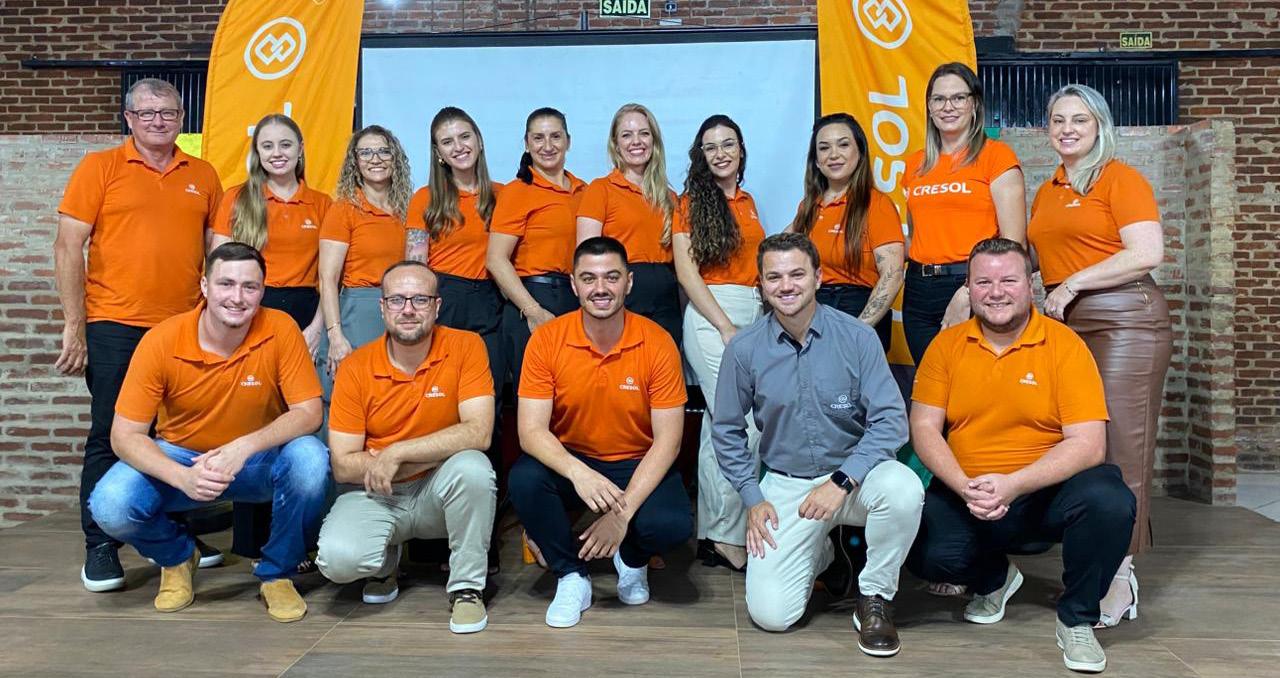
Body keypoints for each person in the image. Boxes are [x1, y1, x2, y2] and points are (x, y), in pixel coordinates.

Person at [906, 237, 1135, 674]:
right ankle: (995, 578)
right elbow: (924, 428)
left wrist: (1014, 484)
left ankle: (1076, 619)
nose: (996, 292)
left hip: (1045, 495)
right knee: (921, 546)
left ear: (1030, 285)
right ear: (968, 288)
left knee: (1110, 499)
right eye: (983, 282)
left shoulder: (1065, 345)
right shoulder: (945, 346)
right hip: (969, 492)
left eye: (1009, 281)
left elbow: (1090, 444)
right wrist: (963, 486)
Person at [88, 243, 331, 622]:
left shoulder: (281, 328)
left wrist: (243, 446)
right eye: (226, 284)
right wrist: (181, 476)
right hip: (183, 460)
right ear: (204, 286)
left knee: (311, 459)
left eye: (250, 286)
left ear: (262, 291)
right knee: (109, 503)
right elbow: (124, 436)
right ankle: (177, 557)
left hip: (256, 462)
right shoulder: (162, 340)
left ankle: (277, 574)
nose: (237, 297)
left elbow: (309, 413)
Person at [712, 232, 923, 656]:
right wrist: (753, 498)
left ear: (818, 277)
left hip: (856, 478)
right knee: (772, 617)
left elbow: (891, 421)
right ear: (761, 284)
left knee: (903, 489)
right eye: (774, 277)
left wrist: (842, 480)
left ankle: (874, 597)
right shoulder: (744, 349)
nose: (786, 285)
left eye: (797, 274)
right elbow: (727, 431)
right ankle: (825, 553)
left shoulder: (858, 337)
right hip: (788, 484)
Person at [54, 77, 224, 592]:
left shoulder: (203, 174)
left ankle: (174, 536)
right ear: (128, 118)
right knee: (113, 433)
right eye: (147, 113)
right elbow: (68, 246)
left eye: (168, 113)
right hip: (115, 325)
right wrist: (75, 325)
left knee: (180, 435)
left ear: (181, 118)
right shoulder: (99, 167)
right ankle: (100, 544)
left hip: (184, 328)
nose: (158, 121)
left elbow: (217, 251)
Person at [1028, 84, 1172, 628]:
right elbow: (1040, 257)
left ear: (1100, 127)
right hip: (1070, 324)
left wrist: (1072, 285)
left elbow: (1147, 252)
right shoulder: (1049, 190)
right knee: (1076, 442)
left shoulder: (1119, 178)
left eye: (1080, 120)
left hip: (1126, 319)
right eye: (1058, 120)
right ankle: (1089, 561)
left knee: (1119, 449)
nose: (1067, 129)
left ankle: (1120, 577)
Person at [507, 237, 693, 629]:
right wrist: (579, 473)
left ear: (629, 282)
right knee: (524, 480)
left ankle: (633, 559)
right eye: (589, 278)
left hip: (636, 460)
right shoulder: (546, 339)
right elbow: (530, 431)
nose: (600, 288)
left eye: (611, 277)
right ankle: (571, 575)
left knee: (673, 525)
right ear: (574, 285)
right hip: (573, 459)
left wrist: (619, 517)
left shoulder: (657, 341)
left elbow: (669, 441)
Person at [316, 261, 496, 634]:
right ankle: (384, 564)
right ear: (382, 308)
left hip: (437, 489)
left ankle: (466, 588)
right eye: (397, 300)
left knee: (474, 468)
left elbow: (479, 433)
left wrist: (397, 452)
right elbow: (343, 466)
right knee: (337, 561)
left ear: (437, 306)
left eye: (420, 299)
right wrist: (401, 460)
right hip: (378, 493)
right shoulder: (356, 366)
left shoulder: (466, 346)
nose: (408, 309)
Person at [210, 113, 332, 563]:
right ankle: (252, 541)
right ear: (256, 153)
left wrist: (317, 327)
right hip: (252, 311)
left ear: (300, 150)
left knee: (304, 423)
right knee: (253, 418)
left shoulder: (322, 204)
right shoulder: (237, 199)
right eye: (268, 146)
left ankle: (301, 539)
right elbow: (219, 268)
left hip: (306, 315)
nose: (277, 153)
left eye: (285, 144)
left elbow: (330, 275)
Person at [671, 114, 766, 572]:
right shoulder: (690, 203)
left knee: (717, 425)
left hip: (753, 311)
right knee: (742, 422)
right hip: (713, 316)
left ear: (741, 150)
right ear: (701, 155)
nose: (721, 153)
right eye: (711, 146)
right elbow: (687, 273)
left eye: (728, 143)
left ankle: (715, 534)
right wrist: (725, 325)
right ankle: (730, 536)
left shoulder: (748, 201)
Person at [901, 62, 1026, 366]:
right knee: (931, 381)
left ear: (974, 104)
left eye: (958, 98)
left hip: (972, 284)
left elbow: (1013, 245)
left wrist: (968, 291)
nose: (948, 107)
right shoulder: (915, 165)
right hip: (918, 290)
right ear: (929, 108)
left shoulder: (996, 156)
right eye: (939, 99)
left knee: (974, 380)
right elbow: (917, 237)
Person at [487, 107, 586, 392]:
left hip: (575, 301)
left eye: (555, 136)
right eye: (538, 138)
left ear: (568, 141)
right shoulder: (517, 192)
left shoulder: (585, 191)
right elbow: (496, 259)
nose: (547, 145)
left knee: (574, 394)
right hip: (531, 301)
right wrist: (533, 311)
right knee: (535, 397)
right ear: (527, 143)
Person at [788, 112, 905, 352]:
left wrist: (858, 330)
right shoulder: (808, 207)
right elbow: (779, 254)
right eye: (824, 148)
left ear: (860, 152)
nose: (833, 154)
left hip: (858, 311)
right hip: (813, 312)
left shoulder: (877, 204)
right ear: (816, 160)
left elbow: (892, 275)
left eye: (843, 144)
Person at [576, 103, 682, 344]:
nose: (636, 141)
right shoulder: (600, 189)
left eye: (644, 133)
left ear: (654, 141)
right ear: (615, 144)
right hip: (623, 292)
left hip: (667, 297)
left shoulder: (670, 198)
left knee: (666, 361)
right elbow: (586, 256)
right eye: (627, 135)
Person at [318, 125, 413, 390]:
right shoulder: (344, 210)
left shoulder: (408, 210)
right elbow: (327, 279)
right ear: (355, 162)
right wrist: (335, 335)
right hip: (357, 314)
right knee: (353, 392)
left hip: (403, 310)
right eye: (366, 153)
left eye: (384, 151)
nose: (375, 159)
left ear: (395, 158)